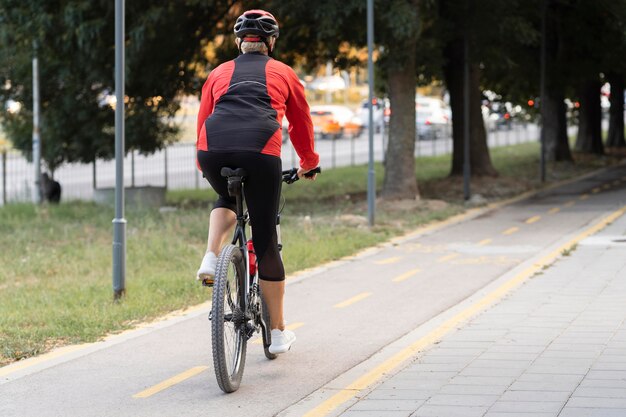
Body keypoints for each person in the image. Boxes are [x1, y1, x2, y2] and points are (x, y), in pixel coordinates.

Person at [195, 10, 319, 354]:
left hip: (213, 150)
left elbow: (204, 117)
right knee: (265, 239)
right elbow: (300, 125)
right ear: (271, 42)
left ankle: (210, 255)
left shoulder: (218, 72)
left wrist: (201, 161)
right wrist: (309, 163)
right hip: (260, 150)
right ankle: (278, 332)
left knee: (226, 199)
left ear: (239, 43)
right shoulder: (283, 72)